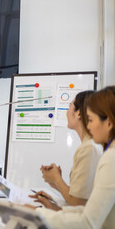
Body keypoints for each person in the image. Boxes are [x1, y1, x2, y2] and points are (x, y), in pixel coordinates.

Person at [32, 86, 115, 228]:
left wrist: (36, 212)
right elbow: (89, 206)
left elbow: (86, 218)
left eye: (91, 119)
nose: (89, 126)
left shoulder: (106, 156)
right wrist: (56, 208)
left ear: (108, 123)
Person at [32, 91, 102, 208]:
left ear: (78, 113)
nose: (67, 112)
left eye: (69, 106)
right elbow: (81, 197)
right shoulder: (89, 146)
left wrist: (57, 179)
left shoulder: (89, 148)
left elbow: (77, 203)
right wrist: (56, 183)